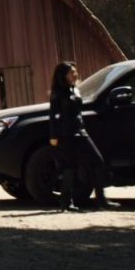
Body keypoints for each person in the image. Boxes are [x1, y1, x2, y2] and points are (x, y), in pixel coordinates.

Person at [48, 61, 118, 212]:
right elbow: (53, 116)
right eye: (71, 72)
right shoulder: (58, 93)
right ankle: (66, 203)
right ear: (63, 76)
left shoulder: (76, 90)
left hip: (80, 131)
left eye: (75, 71)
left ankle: (102, 200)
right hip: (66, 134)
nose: (75, 74)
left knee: (97, 161)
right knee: (70, 167)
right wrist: (54, 136)